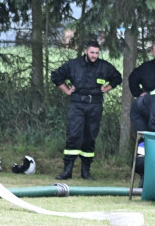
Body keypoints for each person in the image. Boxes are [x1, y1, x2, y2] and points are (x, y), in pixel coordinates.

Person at [50, 40, 123, 180]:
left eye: (96, 53)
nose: (94, 55)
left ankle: (86, 172)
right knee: (73, 135)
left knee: (90, 137)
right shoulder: (74, 65)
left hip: (95, 105)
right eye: (92, 52)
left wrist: (106, 89)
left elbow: (117, 78)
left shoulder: (104, 66)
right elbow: (56, 76)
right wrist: (66, 90)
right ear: (86, 51)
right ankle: (67, 170)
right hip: (77, 104)